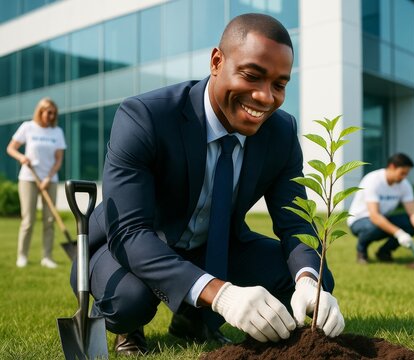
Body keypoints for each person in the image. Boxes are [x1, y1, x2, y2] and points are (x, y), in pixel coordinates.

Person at [75, 13, 344, 356]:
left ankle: (192, 320)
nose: (265, 97)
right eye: (252, 76)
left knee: (316, 279)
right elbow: (130, 232)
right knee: (129, 302)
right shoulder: (145, 117)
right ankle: (128, 328)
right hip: (129, 245)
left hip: (215, 245)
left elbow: (295, 222)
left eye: (279, 84)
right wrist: (222, 294)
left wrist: (308, 280)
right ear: (217, 61)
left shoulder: (281, 133)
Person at [6, 97, 66, 269]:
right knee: (28, 220)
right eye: (48, 112)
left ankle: (47, 257)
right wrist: (21, 157)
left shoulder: (57, 132)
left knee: (49, 220)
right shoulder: (28, 127)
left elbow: (59, 160)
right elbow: (10, 148)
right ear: (40, 111)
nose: (51, 116)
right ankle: (22, 256)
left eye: (54, 113)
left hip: (50, 180)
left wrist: (48, 178)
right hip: (28, 178)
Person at [347, 153, 414, 264]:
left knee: (411, 223)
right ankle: (361, 250)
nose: (404, 177)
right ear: (392, 167)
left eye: (406, 174)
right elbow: (374, 216)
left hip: (381, 219)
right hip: (359, 221)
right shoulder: (373, 180)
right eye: (402, 173)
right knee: (375, 226)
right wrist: (399, 233)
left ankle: (384, 252)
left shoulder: (404, 185)